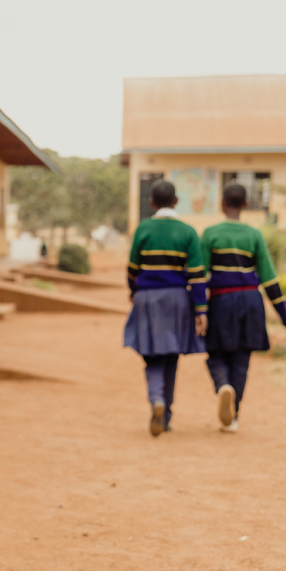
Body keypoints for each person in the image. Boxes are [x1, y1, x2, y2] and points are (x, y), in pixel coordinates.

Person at [200, 183, 286, 432]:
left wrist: (198, 309)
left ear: (222, 204)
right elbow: (269, 279)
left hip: (221, 301)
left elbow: (199, 275)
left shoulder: (210, 234)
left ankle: (222, 386)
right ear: (245, 205)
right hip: (251, 302)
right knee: (242, 360)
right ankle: (235, 417)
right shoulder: (254, 235)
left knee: (216, 353)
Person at [124, 180, 208, 436]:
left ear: (152, 203)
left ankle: (156, 399)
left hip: (147, 298)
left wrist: (133, 291)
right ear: (176, 202)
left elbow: (132, 268)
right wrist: (201, 309)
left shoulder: (143, 229)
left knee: (151, 355)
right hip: (176, 300)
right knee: (171, 355)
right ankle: (166, 415)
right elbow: (196, 275)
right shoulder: (187, 232)